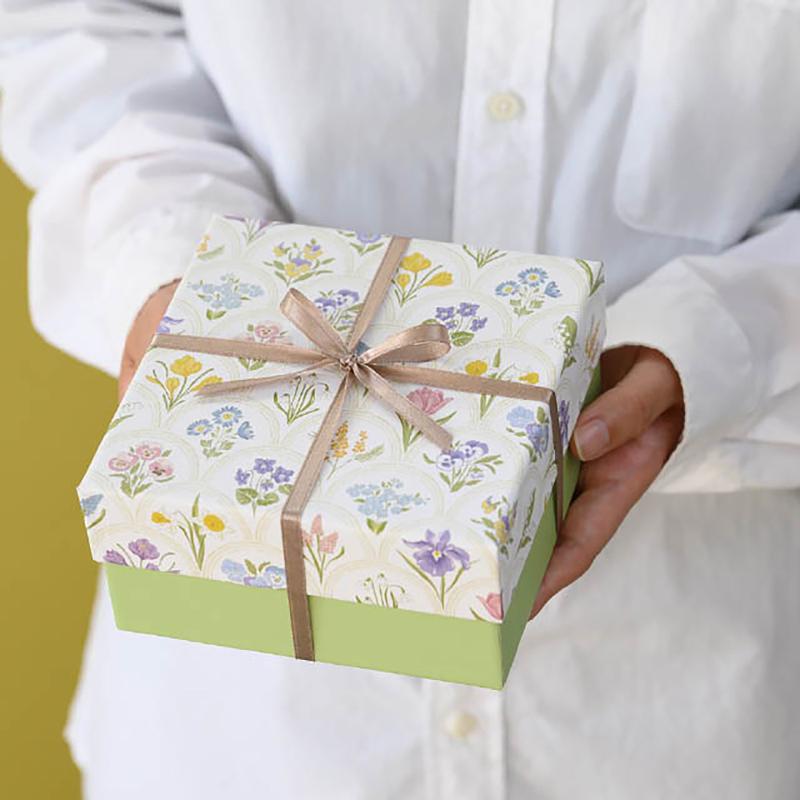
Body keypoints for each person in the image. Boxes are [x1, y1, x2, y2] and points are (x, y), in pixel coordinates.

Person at [1, 2, 799, 798]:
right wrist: (178, 260)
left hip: (684, 694)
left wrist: (721, 342)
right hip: (239, 723)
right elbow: (66, 26)